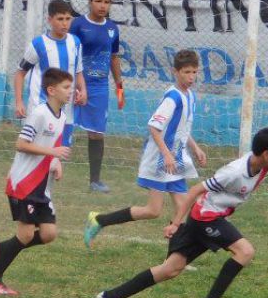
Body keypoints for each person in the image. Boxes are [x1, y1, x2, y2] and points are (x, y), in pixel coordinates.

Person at [96, 127, 268, 298]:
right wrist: (175, 223)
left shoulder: (264, 161)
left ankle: (110, 297)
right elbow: (196, 190)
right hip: (206, 218)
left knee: (170, 269)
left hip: (208, 218)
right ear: (266, 154)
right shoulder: (234, 172)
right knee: (245, 251)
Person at [84, 49, 206, 247]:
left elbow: (182, 128)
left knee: (183, 208)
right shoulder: (172, 98)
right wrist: (166, 154)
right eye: (186, 72)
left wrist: (196, 147)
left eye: (194, 72)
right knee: (153, 210)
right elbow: (154, 127)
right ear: (176, 72)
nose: (191, 77)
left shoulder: (190, 96)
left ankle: (175, 258)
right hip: (160, 159)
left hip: (175, 158)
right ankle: (99, 220)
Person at [0, 68, 73, 295]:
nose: (71, 92)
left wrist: (56, 161)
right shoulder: (40, 113)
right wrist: (51, 151)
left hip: (42, 185)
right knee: (25, 235)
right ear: (51, 90)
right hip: (24, 182)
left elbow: (55, 143)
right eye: (66, 87)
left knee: (49, 234)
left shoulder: (61, 115)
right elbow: (21, 144)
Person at [69, 0, 123, 193]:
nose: (102, 6)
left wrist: (119, 88)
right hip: (75, 83)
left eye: (106, 2)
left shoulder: (112, 29)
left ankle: (95, 181)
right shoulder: (78, 25)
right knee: (62, 126)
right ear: (90, 2)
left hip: (100, 87)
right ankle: (48, 168)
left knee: (97, 133)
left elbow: (114, 57)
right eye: (98, 1)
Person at [13, 0, 87, 147]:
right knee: (35, 151)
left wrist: (83, 90)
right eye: (60, 19)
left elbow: (78, 71)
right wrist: (19, 101)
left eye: (68, 19)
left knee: (59, 154)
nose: (64, 23)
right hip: (41, 106)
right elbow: (20, 73)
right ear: (50, 20)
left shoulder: (76, 43)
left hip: (66, 110)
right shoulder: (39, 44)